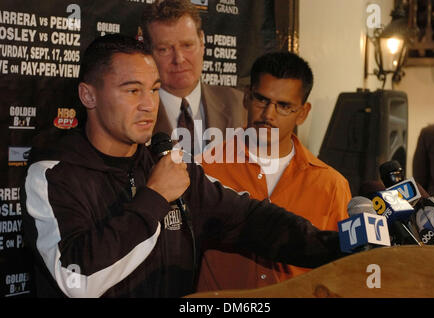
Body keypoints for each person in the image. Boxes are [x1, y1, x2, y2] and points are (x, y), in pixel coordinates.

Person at [21, 34, 344, 298]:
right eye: (133, 90)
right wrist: (155, 198)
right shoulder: (53, 175)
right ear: (88, 96)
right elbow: (76, 282)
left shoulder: (166, 168)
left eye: (154, 89)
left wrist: (345, 245)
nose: (149, 104)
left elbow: (254, 220)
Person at [196, 52, 352, 292]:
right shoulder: (205, 168)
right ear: (247, 97)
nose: (268, 114)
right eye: (262, 100)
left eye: (284, 106)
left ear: (303, 112)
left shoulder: (331, 185)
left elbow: (343, 271)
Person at [140, 0, 246, 156]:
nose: (179, 59)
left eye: (187, 45)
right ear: (148, 51)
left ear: (202, 42)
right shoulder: (135, 112)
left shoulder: (240, 106)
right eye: (164, 49)